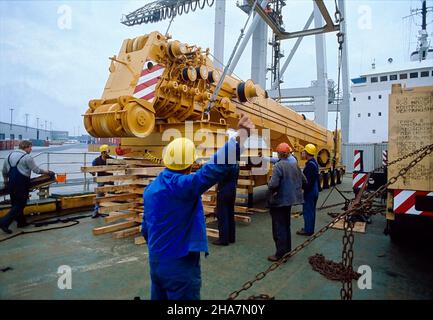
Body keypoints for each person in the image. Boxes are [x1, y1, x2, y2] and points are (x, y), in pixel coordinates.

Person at [142, 114, 254, 300]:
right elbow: (210, 171)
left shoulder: (151, 189)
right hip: (180, 265)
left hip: (156, 261)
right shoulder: (182, 187)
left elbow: (145, 229)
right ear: (190, 164)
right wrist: (240, 138)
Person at [1, 140, 54, 234]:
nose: (31, 149)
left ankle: (21, 222)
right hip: (21, 183)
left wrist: (6, 182)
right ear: (26, 147)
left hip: (11, 183)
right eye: (30, 147)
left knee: (15, 203)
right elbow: (36, 170)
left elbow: (4, 171)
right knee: (21, 204)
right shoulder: (27, 157)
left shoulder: (8, 156)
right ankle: (4, 222)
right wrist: (48, 172)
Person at [267, 142, 304, 262]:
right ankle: (287, 251)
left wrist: (270, 185)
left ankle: (279, 254)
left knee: (278, 228)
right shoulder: (295, 165)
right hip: (289, 201)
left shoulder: (279, 166)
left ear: (279, 154)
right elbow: (304, 180)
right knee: (286, 226)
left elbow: (273, 184)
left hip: (279, 202)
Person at [213, 163, 239, 246]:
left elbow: (220, 176)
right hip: (232, 190)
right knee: (230, 213)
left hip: (224, 191)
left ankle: (223, 239)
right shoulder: (236, 164)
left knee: (222, 215)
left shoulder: (225, 164)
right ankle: (231, 237)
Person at [297, 144, 319, 236]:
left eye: (303, 152)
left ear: (307, 153)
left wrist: (302, 190)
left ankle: (308, 230)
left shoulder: (310, 166)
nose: (302, 153)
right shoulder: (314, 163)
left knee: (308, 211)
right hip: (315, 190)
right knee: (311, 211)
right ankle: (309, 228)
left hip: (310, 192)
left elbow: (308, 182)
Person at [91, 144, 113, 218]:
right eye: (107, 152)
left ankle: (108, 211)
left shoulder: (112, 160)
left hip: (110, 180)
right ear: (103, 152)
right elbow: (92, 171)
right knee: (99, 196)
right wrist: (92, 172)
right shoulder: (96, 161)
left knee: (109, 196)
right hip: (101, 181)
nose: (108, 153)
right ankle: (96, 211)